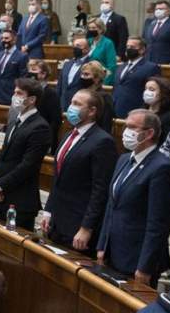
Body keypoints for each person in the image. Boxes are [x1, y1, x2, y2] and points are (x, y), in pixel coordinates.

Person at [95, 110, 170, 284]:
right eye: (126, 126)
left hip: (137, 260)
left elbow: (158, 223)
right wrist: (102, 245)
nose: (126, 131)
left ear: (149, 133)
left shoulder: (161, 168)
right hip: (113, 252)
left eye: (132, 127)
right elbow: (112, 206)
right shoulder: (124, 159)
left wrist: (145, 266)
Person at [41, 87, 117, 252]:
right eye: (71, 102)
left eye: (77, 103)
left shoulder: (103, 141)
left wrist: (86, 228)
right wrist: (48, 211)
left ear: (92, 111)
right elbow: (58, 179)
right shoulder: (69, 135)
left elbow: (100, 190)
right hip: (57, 220)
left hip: (77, 224)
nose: (71, 107)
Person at [0, 79, 52, 230]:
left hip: (20, 200)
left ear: (31, 99)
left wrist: (0, 184)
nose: (14, 96)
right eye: (14, 92)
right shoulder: (14, 121)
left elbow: (28, 165)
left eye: (19, 93)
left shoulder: (40, 127)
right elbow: (2, 157)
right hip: (1, 195)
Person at [108, 37, 154, 116]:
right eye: (127, 47)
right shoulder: (121, 67)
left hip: (135, 111)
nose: (128, 49)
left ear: (142, 50)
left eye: (132, 47)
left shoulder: (150, 67)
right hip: (115, 109)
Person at [0, 27, 27, 106]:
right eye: (2, 38)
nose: (3, 40)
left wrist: (17, 96)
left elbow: (22, 78)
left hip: (10, 96)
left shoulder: (22, 56)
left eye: (6, 38)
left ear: (14, 40)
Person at [144, 0, 170, 65]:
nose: (158, 11)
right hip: (149, 61)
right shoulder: (151, 24)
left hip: (165, 62)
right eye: (156, 9)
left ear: (168, 11)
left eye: (161, 9)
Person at [141, 75, 170, 140]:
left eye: (151, 89)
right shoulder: (141, 111)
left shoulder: (169, 118)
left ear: (163, 93)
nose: (147, 92)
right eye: (146, 89)